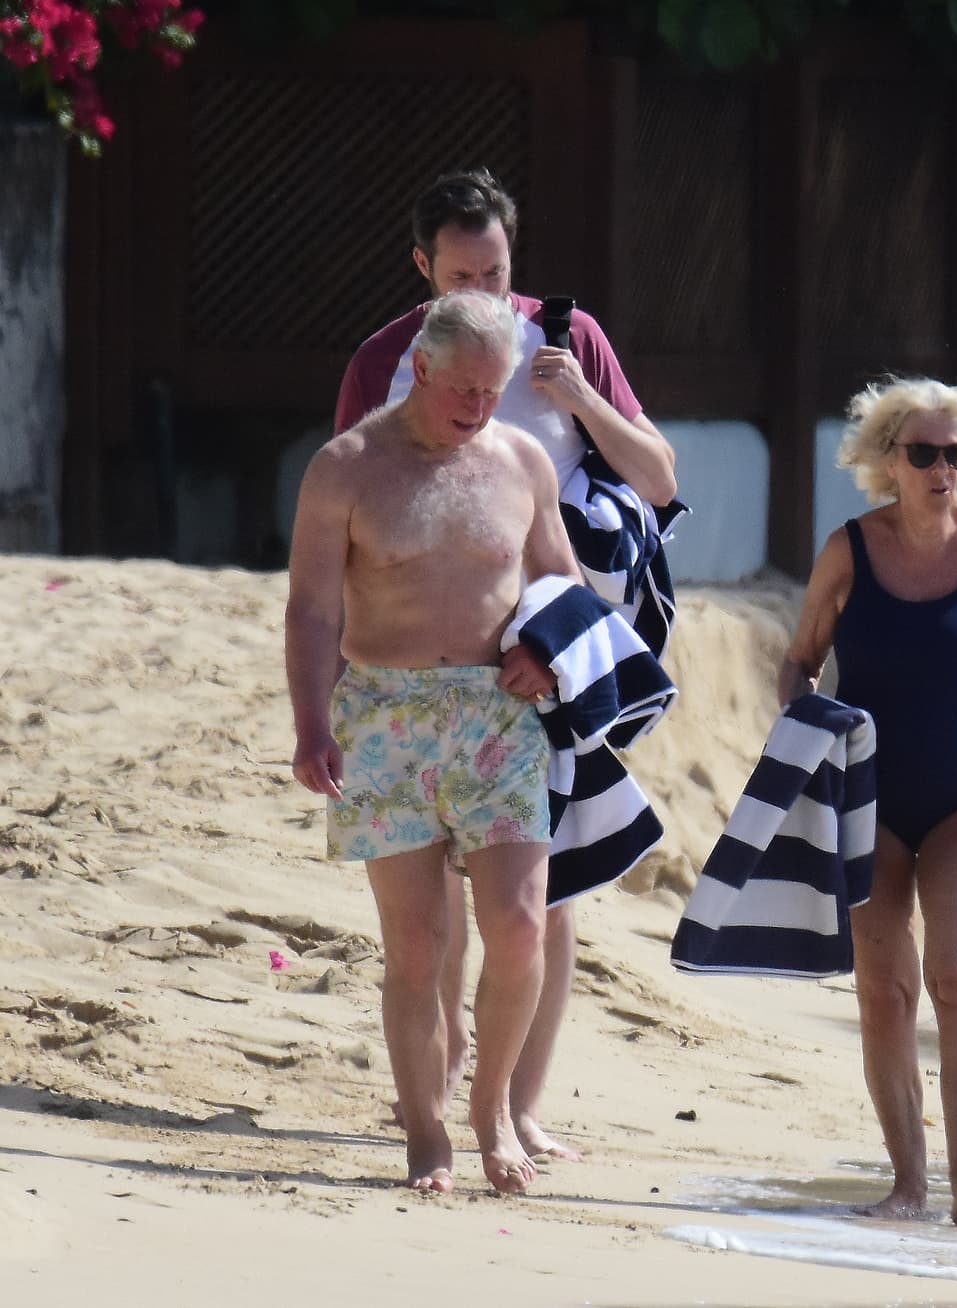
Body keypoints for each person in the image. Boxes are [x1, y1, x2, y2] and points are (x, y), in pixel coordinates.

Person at [334, 167, 678, 1162]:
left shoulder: (568, 339)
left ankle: (520, 1106)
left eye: (497, 272)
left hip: (544, 653)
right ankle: (440, 1083)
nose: (485, 292)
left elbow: (659, 480)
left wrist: (582, 398)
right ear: (421, 266)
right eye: (461, 276)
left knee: (541, 894)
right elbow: (346, 506)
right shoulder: (384, 360)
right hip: (416, 666)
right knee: (435, 895)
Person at [286, 289, 581, 1195]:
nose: (479, 408)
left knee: (520, 927)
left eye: (493, 392)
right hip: (385, 713)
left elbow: (563, 582)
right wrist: (310, 725)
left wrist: (543, 649)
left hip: (499, 715)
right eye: (464, 389)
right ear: (421, 366)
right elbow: (312, 609)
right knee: (416, 945)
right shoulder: (346, 467)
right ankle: (427, 1136)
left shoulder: (521, 460)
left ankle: (492, 1112)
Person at [778, 376, 957, 1229]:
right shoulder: (849, 550)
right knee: (884, 990)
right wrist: (798, 743)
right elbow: (800, 662)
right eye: (925, 453)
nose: (942, 469)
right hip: (868, 795)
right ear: (889, 459)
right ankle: (907, 1184)